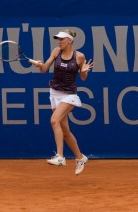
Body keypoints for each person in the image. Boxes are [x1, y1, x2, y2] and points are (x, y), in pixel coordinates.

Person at [34, 29, 94, 175]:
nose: (59, 42)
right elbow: (44, 70)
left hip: (69, 95)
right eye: (58, 39)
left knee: (54, 121)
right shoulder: (56, 51)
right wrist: (39, 65)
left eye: (61, 39)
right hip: (54, 93)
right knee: (65, 131)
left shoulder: (79, 56)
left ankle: (60, 156)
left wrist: (84, 71)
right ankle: (80, 158)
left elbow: (83, 78)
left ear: (70, 40)